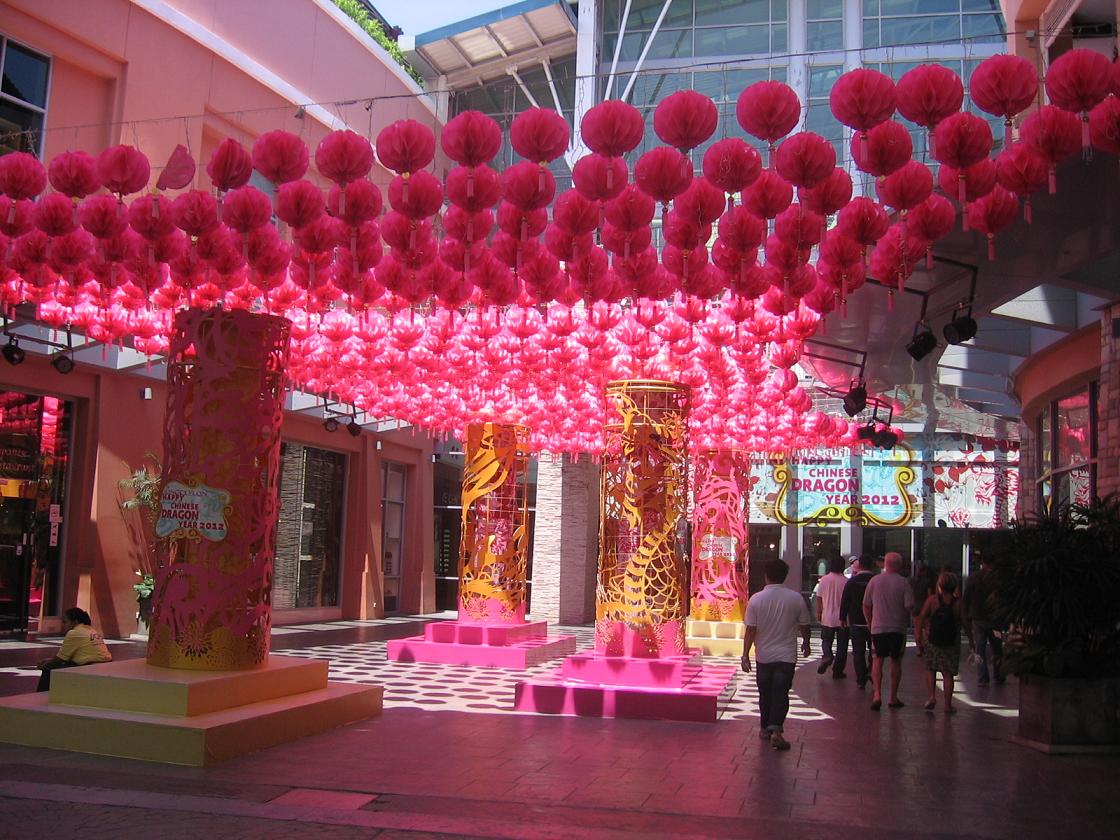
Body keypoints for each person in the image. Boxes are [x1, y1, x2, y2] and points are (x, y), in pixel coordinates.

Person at [741, 559, 811, 751]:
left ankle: (765, 728)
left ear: (766, 576)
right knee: (781, 692)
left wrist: (745, 654)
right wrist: (806, 642)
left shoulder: (756, 599)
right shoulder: (796, 598)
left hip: (763, 656)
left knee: (765, 692)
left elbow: (751, 630)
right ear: (785, 576)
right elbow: (805, 625)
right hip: (786, 655)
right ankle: (776, 731)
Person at [915, 571, 972, 713]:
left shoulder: (932, 600)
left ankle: (931, 696)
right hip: (951, 642)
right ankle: (947, 705)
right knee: (948, 673)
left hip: (933, 640)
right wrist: (971, 640)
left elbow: (922, 617)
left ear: (939, 585)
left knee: (930, 668)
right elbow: (965, 623)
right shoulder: (959, 603)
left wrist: (919, 635)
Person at [863, 551, 914, 710]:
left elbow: (866, 604)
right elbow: (909, 605)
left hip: (878, 627)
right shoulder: (904, 583)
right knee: (896, 661)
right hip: (897, 628)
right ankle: (893, 697)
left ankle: (877, 694)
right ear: (899, 565)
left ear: (885, 564)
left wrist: (870, 622)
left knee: (877, 660)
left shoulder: (874, 581)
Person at [36, 607, 112, 692]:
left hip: (90, 666)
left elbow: (60, 660)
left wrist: (45, 664)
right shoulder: (91, 630)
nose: (63, 625)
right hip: (104, 664)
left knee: (48, 668)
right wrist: (49, 660)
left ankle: (41, 695)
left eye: (65, 622)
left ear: (75, 622)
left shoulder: (74, 633)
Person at [962, 554, 1004, 686]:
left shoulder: (973, 578)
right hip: (995, 620)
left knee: (980, 649)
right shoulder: (998, 579)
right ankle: (999, 675)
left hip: (977, 618)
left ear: (982, 562)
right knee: (997, 648)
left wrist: (966, 616)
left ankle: (982, 678)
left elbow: (966, 598)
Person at [840, 554, 877, 689]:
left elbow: (845, 600)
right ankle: (871, 670)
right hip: (874, 621)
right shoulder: (876, 580)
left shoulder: (852, 582)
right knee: (874, 650)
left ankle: (861, 678)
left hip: (856, 621)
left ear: (860, 565)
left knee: (858, 651)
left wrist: (842, 617)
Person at [813, 555, 849, 679]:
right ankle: (838, 671)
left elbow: (819, 598)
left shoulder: (824, 580)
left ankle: (827, 655)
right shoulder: (846, 581)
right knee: (842, 646)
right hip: (843, 619)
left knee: (826, 640)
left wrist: (819, 612)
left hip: (827, 616)